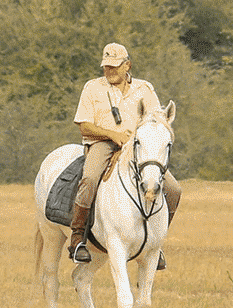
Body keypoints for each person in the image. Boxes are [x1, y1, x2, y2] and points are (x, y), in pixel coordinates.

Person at [68, 41, 181, 266]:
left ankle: (155, 244)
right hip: (102, 144)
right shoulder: (92, 87)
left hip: (136, 148)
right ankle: (78, 238)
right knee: (89, 180)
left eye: (114, 66)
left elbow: (156, 121)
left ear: (127, 65)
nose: (109, 71)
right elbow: (84, 126)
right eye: (106, 66)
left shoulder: (145, 89)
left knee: (174, 189)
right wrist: (112, 134)